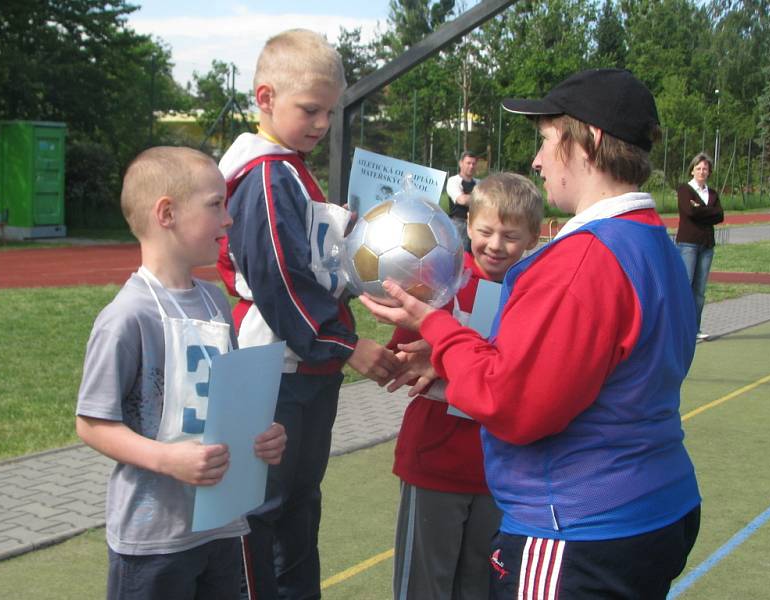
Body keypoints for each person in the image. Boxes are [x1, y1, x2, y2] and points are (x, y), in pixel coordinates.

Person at [361, 69, 701, 599]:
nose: (538, 159)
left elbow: (512, 402)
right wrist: (455, 356)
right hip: (653, 505)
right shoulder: (653, 243)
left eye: (545, 140)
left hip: (578, 522)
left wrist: (437, 326)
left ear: (587, 142)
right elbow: (579, 373)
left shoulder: (582, 259)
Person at [215, 29, 400, 600]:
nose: (321, 123)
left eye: (329, 110)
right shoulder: (266, 174)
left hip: (304, 368)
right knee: (266, 512)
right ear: (265, 99)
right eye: (309, 109)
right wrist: (349, 346)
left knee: (298, 506)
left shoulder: (288, 167)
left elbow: (310, 264)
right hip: (277, 367)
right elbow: (279, 281)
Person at [75, 146, 288, 600]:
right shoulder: (126, 317)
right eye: (216, 204)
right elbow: (92, 423)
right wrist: (167, 459)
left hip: (219, 525)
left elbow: (224, 401)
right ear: (166, 214)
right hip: (154, 540)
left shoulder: (214, 301)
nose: (228, 219)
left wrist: (262, 436)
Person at [390, 173, 542, 600]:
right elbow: (402, 358)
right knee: (425, 586)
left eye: (510, 236)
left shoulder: (536, 293)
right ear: (468, 226)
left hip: (501, 471)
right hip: (435, 463)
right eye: (485, 232)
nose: (495, 245)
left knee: (481, 586)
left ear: (533, 236)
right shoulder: (440, 282)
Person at [676, 152, 724, 340]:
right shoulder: (684, 190)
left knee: (699, 291)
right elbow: (689, 212)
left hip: (707, 245)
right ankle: (680, 329)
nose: (702, 171)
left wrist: (701, 209)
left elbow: (719, 216)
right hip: (688, 243)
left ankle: (695, 329)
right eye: (698, 168)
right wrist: (706, 212)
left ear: (709, 172)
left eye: (705, 168)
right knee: (685, 286)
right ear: (692, 170)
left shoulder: (712, 194)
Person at [447, 151, 479, 252]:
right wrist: (481, 199)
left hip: (476, 224)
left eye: (473, 163)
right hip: (459, 225)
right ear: (461, 163)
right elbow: (462, 200)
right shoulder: (453, 181)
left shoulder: (479, 183)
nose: (471, 166)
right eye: (468, 163)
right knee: (461, 255)